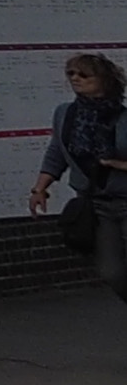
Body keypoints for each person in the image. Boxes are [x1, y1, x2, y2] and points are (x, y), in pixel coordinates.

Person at [31, 53, 126, 269]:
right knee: (111, 271)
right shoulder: (65, 113)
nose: (76, 78)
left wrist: (117, 164)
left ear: (105, 80)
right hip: (94, 202)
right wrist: (39, 189)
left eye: (84, 74)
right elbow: (57, 151)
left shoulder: (124, 118)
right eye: (71, 73)